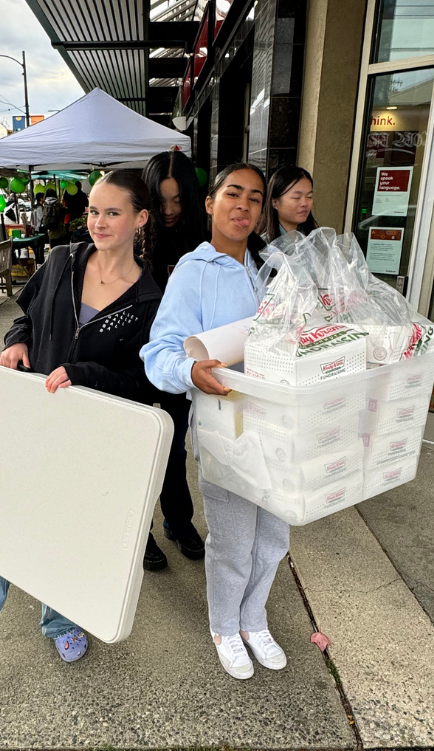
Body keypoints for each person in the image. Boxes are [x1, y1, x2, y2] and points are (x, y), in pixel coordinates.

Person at [0, 169, 163, 710]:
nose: (97, 222)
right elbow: (22, 317)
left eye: (112, 212)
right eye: (93, 210)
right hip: (27, 422)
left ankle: (60, 619)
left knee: (60, 535)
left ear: (140, 218)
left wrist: (84, 373)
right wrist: (15, 343)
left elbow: (145, 385)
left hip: (86, 440)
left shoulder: (149, 297)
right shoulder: (60, 262)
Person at [142, 163, 290, 681]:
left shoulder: (272, 267)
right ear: (210, 204)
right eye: (233, 194)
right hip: (226, 428)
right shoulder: (194, 270)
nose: (244, 206)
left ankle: (254, 617)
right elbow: (158, 351)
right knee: (231, 537)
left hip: (281, 424)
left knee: (274, 533)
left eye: (255, 197)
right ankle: (224, 624)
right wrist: (189, 370)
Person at [140, 150, 209, 571]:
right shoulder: (132, 237)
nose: (168, 210)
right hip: (129, 362)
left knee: (173, 447)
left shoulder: (202, 246)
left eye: (177, 200)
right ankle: (137, 530)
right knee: (136, 445)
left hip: (178, 366)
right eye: (160, 200)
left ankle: (178, 520)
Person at [259, 165, 317, 243]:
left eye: (309, 197)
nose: (304, 203)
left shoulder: (315, 240)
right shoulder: (264, 246)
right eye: (297, 197)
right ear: (275, 202)